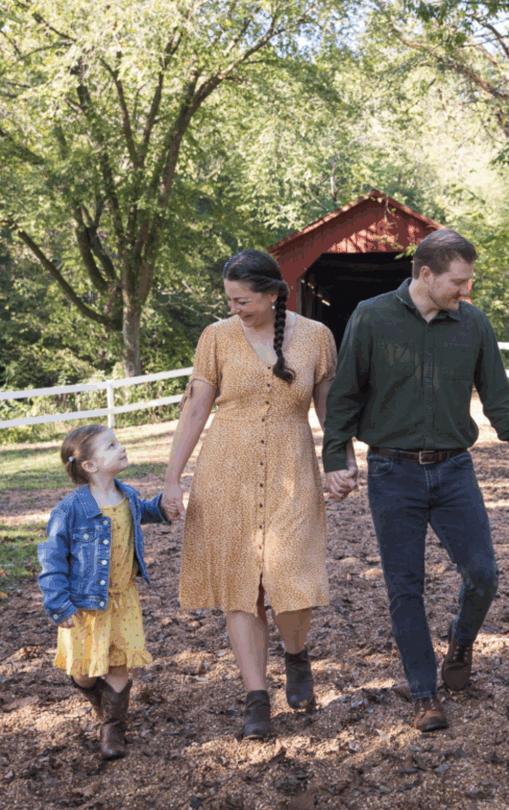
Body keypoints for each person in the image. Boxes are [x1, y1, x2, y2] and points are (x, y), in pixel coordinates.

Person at [322, 228, 509, 733]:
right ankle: (424, 694)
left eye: (467, 283)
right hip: (391, 471)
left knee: (484, 573)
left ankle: (461, 641)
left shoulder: (473, 324)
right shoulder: (373, 316)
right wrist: (335, 457)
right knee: (406, 588)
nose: (465, 292)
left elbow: (500, 399)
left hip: (453, 469)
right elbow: (345, 395)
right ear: (426, 274)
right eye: (458, 282)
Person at [162, 249, 350, 741]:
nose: (234, 308)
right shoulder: (216, 337)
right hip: (226, 471)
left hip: (293, 467)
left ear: (272, 294)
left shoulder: (317, 338)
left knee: (292, 578)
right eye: (229, 299)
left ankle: (295, 653)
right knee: (240, 587)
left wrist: (340, 464)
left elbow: (330, 414)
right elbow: (196, 408)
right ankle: (255, 698)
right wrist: (171, 478)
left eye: (243, 300)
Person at [38, 425, 172, 760]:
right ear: (90, 466)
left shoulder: (127, 495)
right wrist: (58, 603)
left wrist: (166, 507)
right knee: (83, 672)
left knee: (118, 663)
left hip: (123, 598)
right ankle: (99, 701)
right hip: (84, 605)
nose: (121, 447)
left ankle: (113, 729)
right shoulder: (69, 510)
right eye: (111, 446)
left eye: (118, 442)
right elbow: (51, 559)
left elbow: (145, 511)